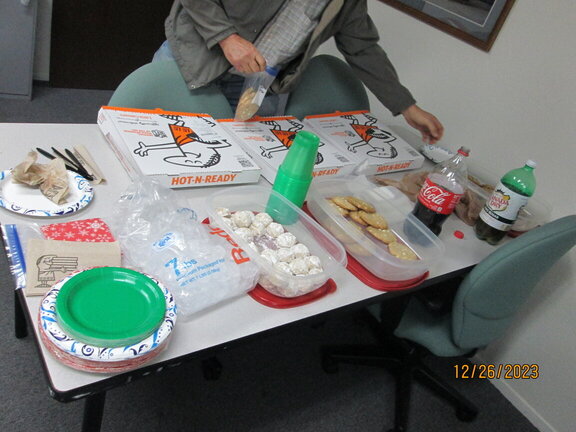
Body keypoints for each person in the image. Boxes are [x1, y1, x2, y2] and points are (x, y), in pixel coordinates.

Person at [158, 0, 444, 144]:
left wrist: (406, 106)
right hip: (197, 60)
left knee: (227, 164)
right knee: (159, 146)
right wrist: (226, 37)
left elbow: (362, 48)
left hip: (259, 84)